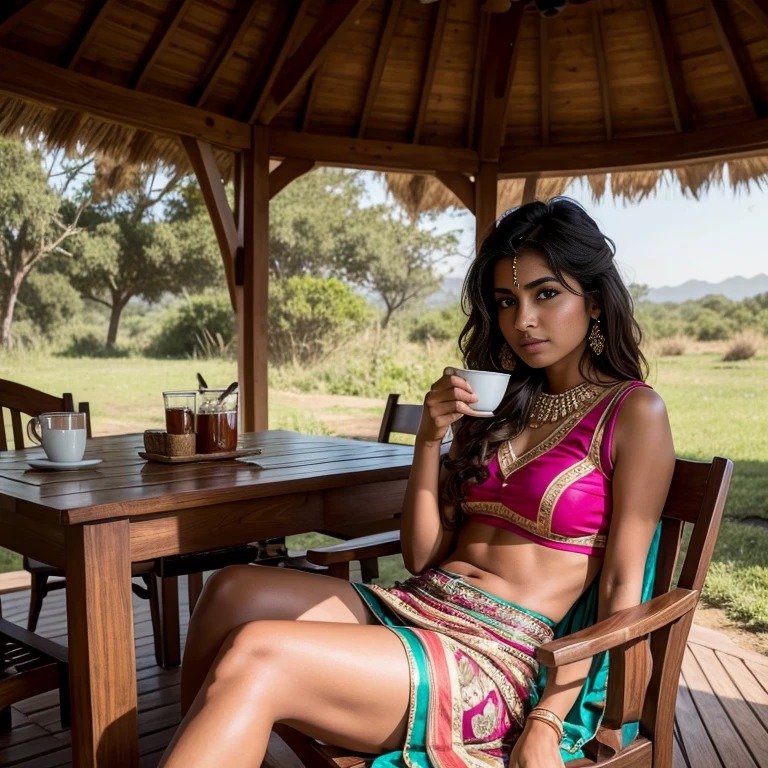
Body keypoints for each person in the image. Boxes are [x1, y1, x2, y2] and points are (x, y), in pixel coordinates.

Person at [160, 197, 675, 768]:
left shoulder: (633, 413)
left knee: (258, 654)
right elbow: (422, 555)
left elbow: (624, 590)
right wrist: (430, 439)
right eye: (507, 301)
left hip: (501, 654)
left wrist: (549, 721)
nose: (522, 319)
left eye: (545, 294)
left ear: (596, 301)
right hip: (420, 603)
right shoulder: (500, 405)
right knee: (229, 588)